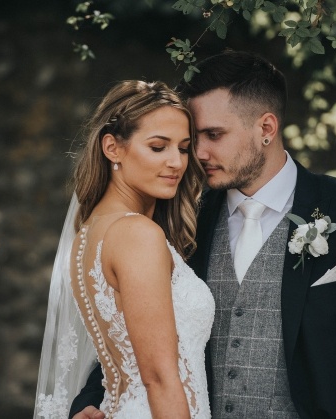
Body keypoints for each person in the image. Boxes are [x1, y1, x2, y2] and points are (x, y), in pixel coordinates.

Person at [69, 51, 336, 418]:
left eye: (214, 135)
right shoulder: (185, 220)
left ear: (266, 129)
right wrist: (91, 403)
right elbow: (142, 334)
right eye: (195, 138)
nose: (198, 154)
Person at [34, 80, 215, 419]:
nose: (177, 162)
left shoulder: (90, 233)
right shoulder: (137, 234)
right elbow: (160, 378)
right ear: (112, 148)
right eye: (158, 147)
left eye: (184, 147)